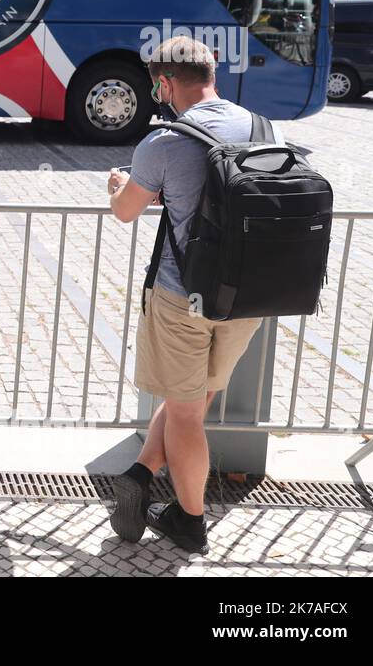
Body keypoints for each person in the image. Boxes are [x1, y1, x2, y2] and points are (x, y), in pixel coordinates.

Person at [106, 35, 268, 556]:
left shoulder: (163, 142)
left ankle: (189, 522)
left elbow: (126, 211)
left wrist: (120, 183)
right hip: (247, 297)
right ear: (211, 72)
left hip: (183, 298)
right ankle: (141, 471)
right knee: (194, 400)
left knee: (183, 411)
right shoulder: (259, 126)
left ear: (165, 83)